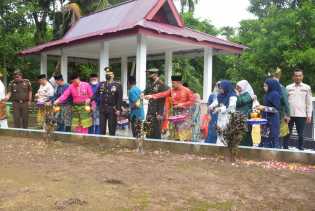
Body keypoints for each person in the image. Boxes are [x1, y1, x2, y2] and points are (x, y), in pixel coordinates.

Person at [145, 75, 195, 141]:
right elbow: (163, 94)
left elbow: (192, 101)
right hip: (174, 113)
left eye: (173, 83)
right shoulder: (171, 90)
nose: (172, 84)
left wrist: (182, 104)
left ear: (179, 82)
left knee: (183, 132)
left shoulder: (187, 90)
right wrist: (152, 96)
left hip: (184, 114)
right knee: (174, 131)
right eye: (172, 83)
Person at [286, 69, 313, 150]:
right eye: (296, 75)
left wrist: (309, 115)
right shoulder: (288, 87)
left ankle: (300, 148)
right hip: (289, 114)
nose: (298, 77)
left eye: (299, 75)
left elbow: (309, 103)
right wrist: (285, 114)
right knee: (287, 133)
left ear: (302, 77)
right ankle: (284, 148)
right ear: (293, 77)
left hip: (301, 114)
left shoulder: (307, 87)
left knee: (300, 134)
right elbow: (285, 102)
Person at [94, 67, 122, 136]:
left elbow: (119, 98)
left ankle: (112, 143)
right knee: (102, 128)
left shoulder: (117, 85)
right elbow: (96, 94)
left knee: (112, 127)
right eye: (107, 74)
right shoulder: (101, 84)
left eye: (109, 74)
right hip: (102, 108)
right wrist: (90, 99)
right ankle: (102, 143)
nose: (108, 75)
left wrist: (118, 109)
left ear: (113, 75)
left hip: (112, 109)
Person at [209, 80, 237, 145]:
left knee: (226, 135)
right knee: (220, 134)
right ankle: (219, 149)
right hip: (221, 118)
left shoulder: (233, 96)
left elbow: (231, 107)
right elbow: (216, 102)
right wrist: (211, 106)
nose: (220, 90)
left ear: (226, 87)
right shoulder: (220, 95)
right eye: (220, 88)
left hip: (229, 117)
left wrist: (220, 109)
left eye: (221, 88)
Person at [144, 68, 168, 139]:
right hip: (149, 111)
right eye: (148, 74)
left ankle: (156, 148)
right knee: (147, 131)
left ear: (155, 74)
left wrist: (160, 113)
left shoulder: (162, 84)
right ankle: (147, 146)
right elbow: (146, 91)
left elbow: (164, 97)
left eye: (150, 74)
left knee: (156, 133)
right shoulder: (150, 83)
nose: (148, 76)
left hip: (157, 112)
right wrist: (142, 93)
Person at [256, 79, 281, 148]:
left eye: (266, 86)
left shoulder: (275, 94)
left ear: (271, 86)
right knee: (264, 137)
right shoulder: (267, 94)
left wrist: (263, 108)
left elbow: (276, 109)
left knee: (272, 137)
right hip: (266, 119)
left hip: (273, 120)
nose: (264, 87)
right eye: (264, 86)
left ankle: (273, 155)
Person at [272, 68, 290, 149]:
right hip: (271, 115)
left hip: (281, 114)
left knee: (279, 135)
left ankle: (279, 151)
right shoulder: (271, 88)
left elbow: (286, 102)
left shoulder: (282, 88)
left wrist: (287, 114)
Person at [236, 80, 255, 146]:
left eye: (239, 87)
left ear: (244, 87)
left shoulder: (248, 94)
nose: (237, 89)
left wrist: (237, 96)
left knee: (245, 135)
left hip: (246, 117)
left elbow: (239, 102)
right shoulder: (241, 94)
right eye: (237, 87)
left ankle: (247, 149)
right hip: (239, 117)